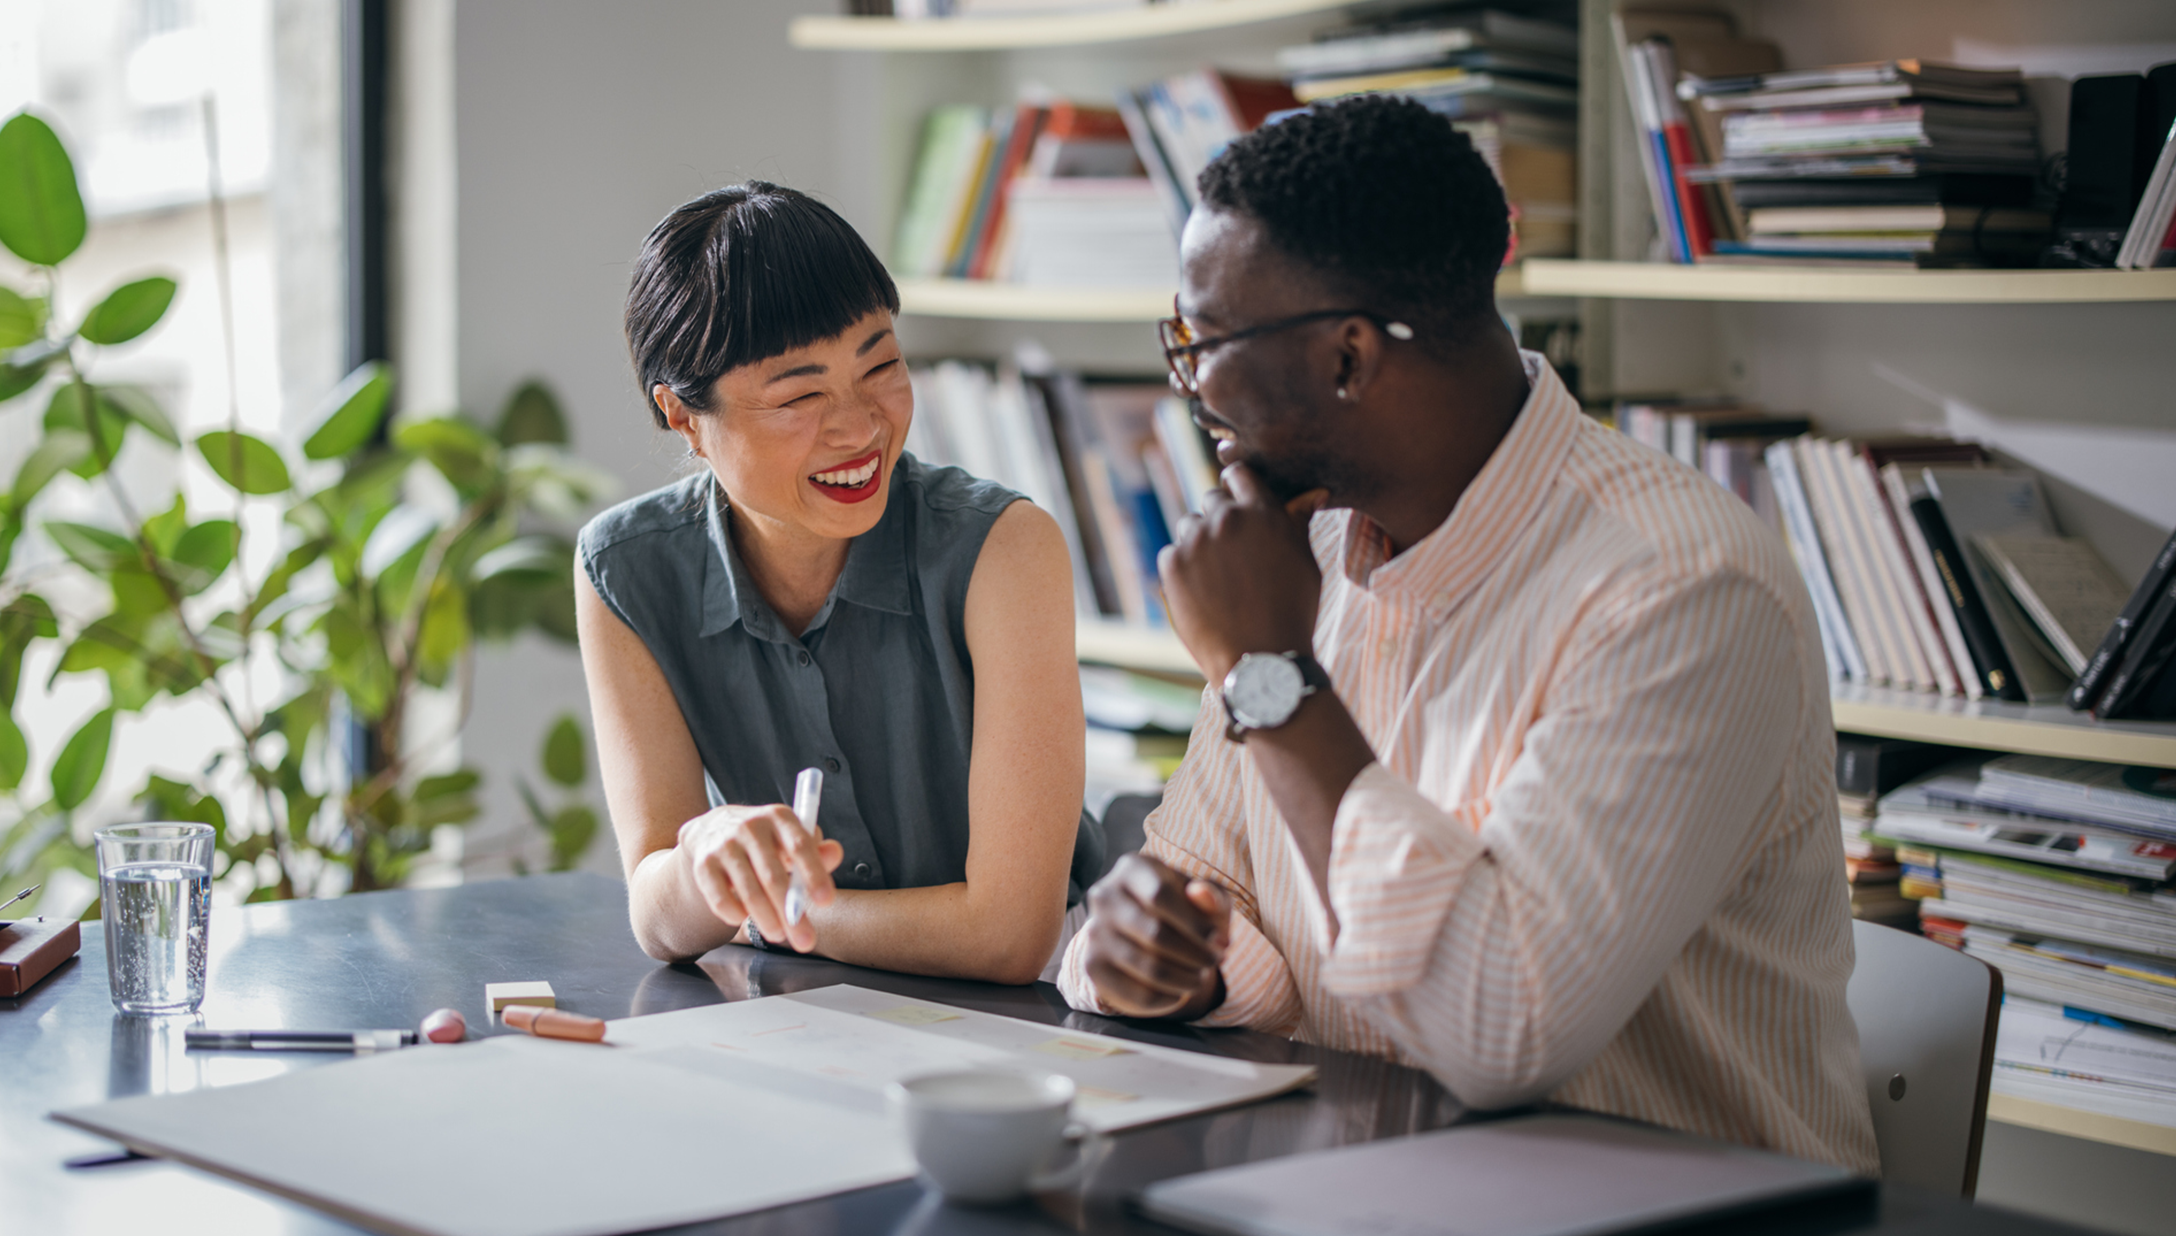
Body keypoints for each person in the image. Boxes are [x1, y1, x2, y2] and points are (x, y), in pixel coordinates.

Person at [1058, 97, 1880, 1172]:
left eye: (1203, 343)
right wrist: (1177, 962)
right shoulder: (1298, 552)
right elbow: (1225, 898)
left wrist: (1271, 676)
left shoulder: (1679, 590)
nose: (1194, 392)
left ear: (1349, 358)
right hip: (1376, 1180)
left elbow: (1502, 1029)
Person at [577, 182, 1104, 985]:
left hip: (1045, 1008)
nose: (860, 427)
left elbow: (1009, 936)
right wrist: (700, 861)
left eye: (882, 365)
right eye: (799, 396)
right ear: (684, 418)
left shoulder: (1004, 547)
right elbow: (657, 914)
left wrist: (762, 912)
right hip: (807, 1014)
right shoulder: (625, 567)